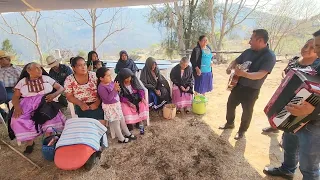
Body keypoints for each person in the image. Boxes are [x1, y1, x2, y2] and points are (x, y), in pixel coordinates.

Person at [263, 30, 320, 180]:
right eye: (316, 46)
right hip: (296, 115)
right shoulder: (317, 64)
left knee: (309, 166)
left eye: (319, 47)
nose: (317, 52)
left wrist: (315, 109)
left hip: (315, 125)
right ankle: (287, 169)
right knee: (289, 144)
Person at [219, 29, 276, 140]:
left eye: (251, 39)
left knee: (247, 111)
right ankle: (229, 123)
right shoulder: (248, 51)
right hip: (238, 85)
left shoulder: (269, 56)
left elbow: (261, 74)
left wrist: (244, 74)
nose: (249, 42)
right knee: (230, 105)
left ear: (260, 40)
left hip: (252, 89)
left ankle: (241, 131)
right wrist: (230, 67)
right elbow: (236, 60)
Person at [262, 39, 319, 134]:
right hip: (285, 92)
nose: (306, 49)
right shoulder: (295, 59)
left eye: (312, 48)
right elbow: (286, 71)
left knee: (291, 120)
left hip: (302, 103)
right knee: (279, 108)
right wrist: (286, 78)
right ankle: (276, 126)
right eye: (305, 46)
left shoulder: (316, 68)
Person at [10, 62, 66, 154]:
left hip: (45, 102)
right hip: (26, 104)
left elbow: (60, 88)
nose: (40, 70)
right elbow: (15, 97)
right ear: (28, 71)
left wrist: (53, 94)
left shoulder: (46, 78)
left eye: (40, 68)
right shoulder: (22, 81)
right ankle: (30, 142)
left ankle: (50, 140)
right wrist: (17, 107)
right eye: (36, 68)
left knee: (49, 118)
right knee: (18, 119)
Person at [96, 67, 137, 143]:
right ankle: (121, 138)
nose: (110, 77)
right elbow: (108, 99)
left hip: (116, 105)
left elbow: (116, 93)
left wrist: (117, 89)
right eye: (108, 76)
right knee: (116, 123)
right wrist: (115, 90)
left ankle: (127, 133)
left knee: (122, 120)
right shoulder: (101, 88)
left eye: (110, 75)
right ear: (101, 78)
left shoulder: (110, 82)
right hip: (110, 107)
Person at [64, 56, 104, 125]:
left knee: (99, 123)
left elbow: (103, 90)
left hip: (97, 103)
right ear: (73, 68)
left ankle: (98, 133)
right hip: (81, 106)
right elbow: (69, 96)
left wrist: (97, 102)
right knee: (88, 124)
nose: (83, 67)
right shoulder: (69, 79)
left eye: (84, 64)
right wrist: (81, 104)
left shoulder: (94, 76)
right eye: (80, 65)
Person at [116, 68, 148, 135]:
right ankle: (129, 123)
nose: (128, 80)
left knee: (142, 105)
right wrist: (129, 103)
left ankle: (139, 122)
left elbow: (140, 90)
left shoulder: (134, 80)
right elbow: (119, 96)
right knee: (125, 108)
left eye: (129, 77)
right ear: (122, 79)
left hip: (136, 98)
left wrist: (142, 98)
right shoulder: (119, 84)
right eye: (126, 78)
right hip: (126, 100)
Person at [0, 51, 22, 120]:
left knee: (10, 99)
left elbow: (23, 79)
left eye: (1, 59)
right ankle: (3, 114)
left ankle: (12, 116)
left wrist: (17, 86)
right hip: (1, 89)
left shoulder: (18, 69)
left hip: (13, 89)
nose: (0, 61)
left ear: (8, 59)